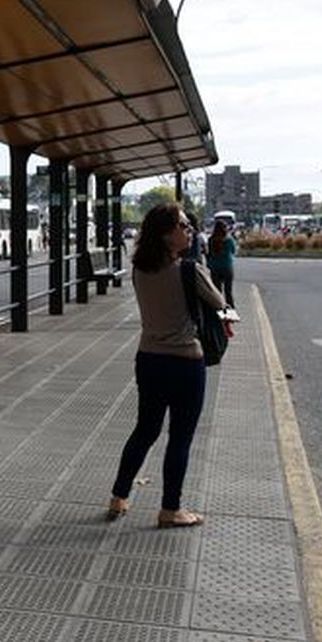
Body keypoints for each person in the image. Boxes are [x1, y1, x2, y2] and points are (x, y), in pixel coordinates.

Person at [106, 201, 226, 529]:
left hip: (148, 360)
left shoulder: (139, 270)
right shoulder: (189, 269)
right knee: (180, 437)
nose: (189, 231)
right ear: (165, 234)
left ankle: (119, 496)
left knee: (145, 430)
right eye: (183, 226)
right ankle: (170, 509)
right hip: (186, 363)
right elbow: (222, 305)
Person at [206, 219, 237, 309]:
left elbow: (209, 253)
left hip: (214, 267)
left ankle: (218, 311)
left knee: (217, 291)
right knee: (228, 292)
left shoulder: (211, 239)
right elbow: (233, 251)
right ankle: (231, 311)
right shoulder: (229, 240)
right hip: (227, 267)